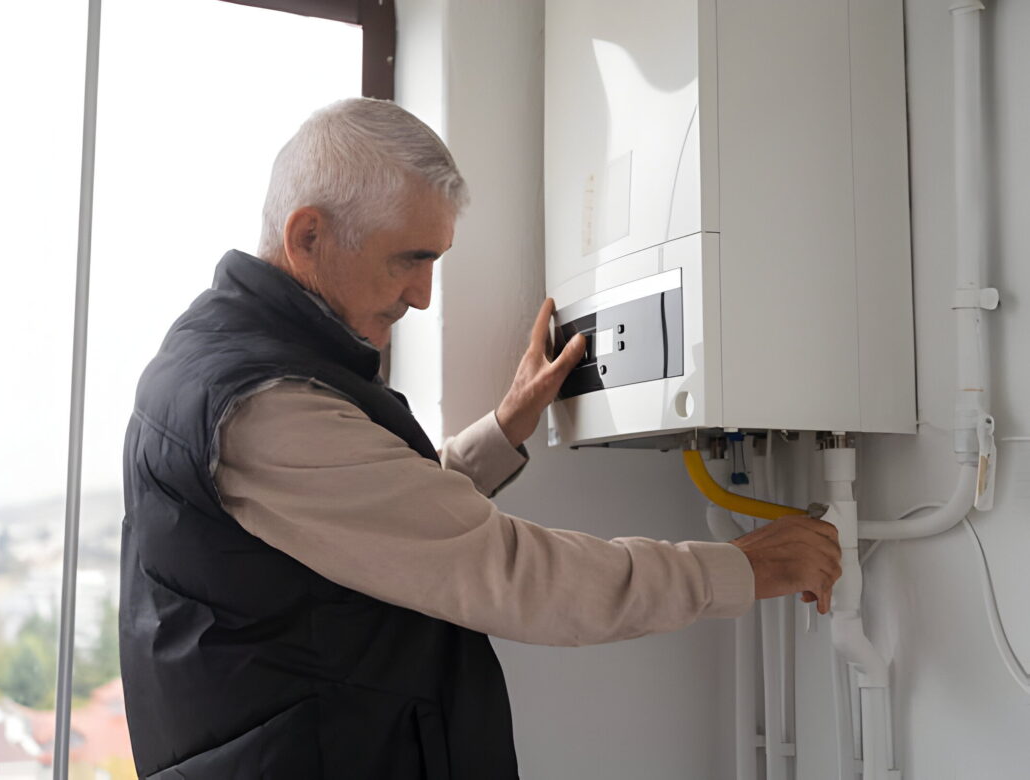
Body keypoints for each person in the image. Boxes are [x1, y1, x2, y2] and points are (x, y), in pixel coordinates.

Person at [119, 97, 842, 779]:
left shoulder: (227, 359)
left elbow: (381, 519)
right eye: (410, 258)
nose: (422, 294)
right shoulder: (264, 405)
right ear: (308, 235)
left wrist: (506, 426)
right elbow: (509, 574)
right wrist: (741, 570)